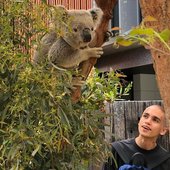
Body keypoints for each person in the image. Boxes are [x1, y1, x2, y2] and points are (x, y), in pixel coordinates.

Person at [103, 105, 170, 170]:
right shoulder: (116, 150)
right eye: (145, 116)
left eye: (155, 120)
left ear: (163, 130)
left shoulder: (166, 161)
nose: (147, 122)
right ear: (139, 121)